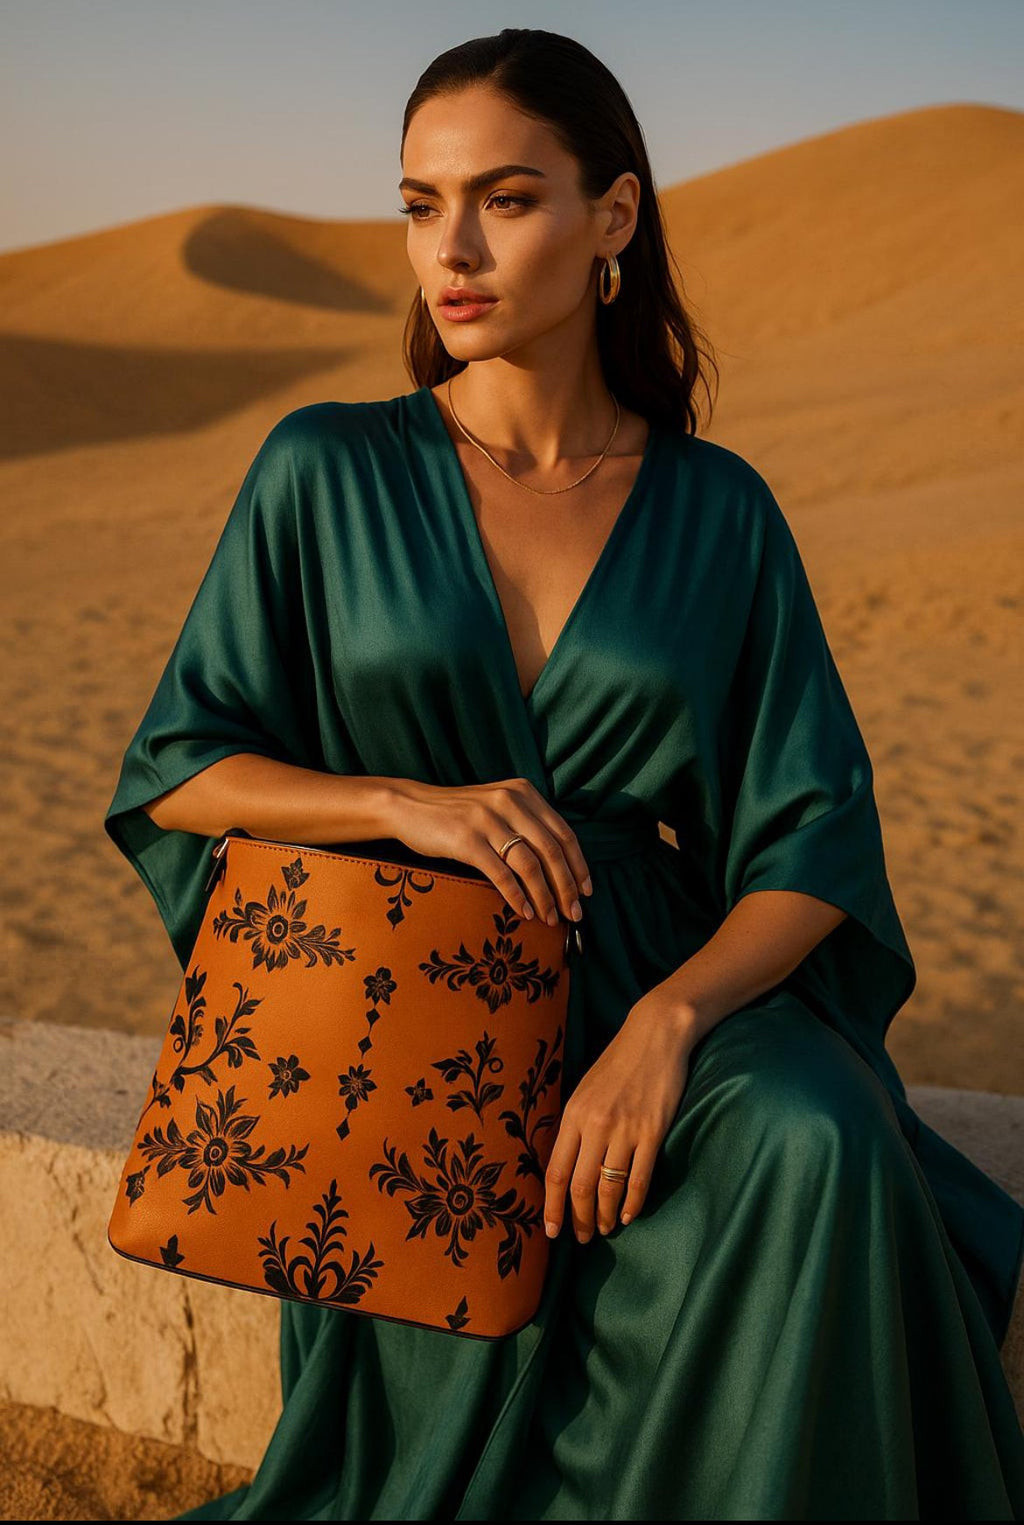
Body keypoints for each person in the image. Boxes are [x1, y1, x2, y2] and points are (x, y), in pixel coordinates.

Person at [104, 27, 1024, 1522]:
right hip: (423, 1011)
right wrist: (405, 804)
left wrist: (668, 1022)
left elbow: (811, 839)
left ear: (613, 217)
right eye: (419, 205)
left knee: (818, 1133)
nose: (450, 249)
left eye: (505, 198)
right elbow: (184, 770)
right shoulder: (325, 469)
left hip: (663, 981)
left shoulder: (719, 509)